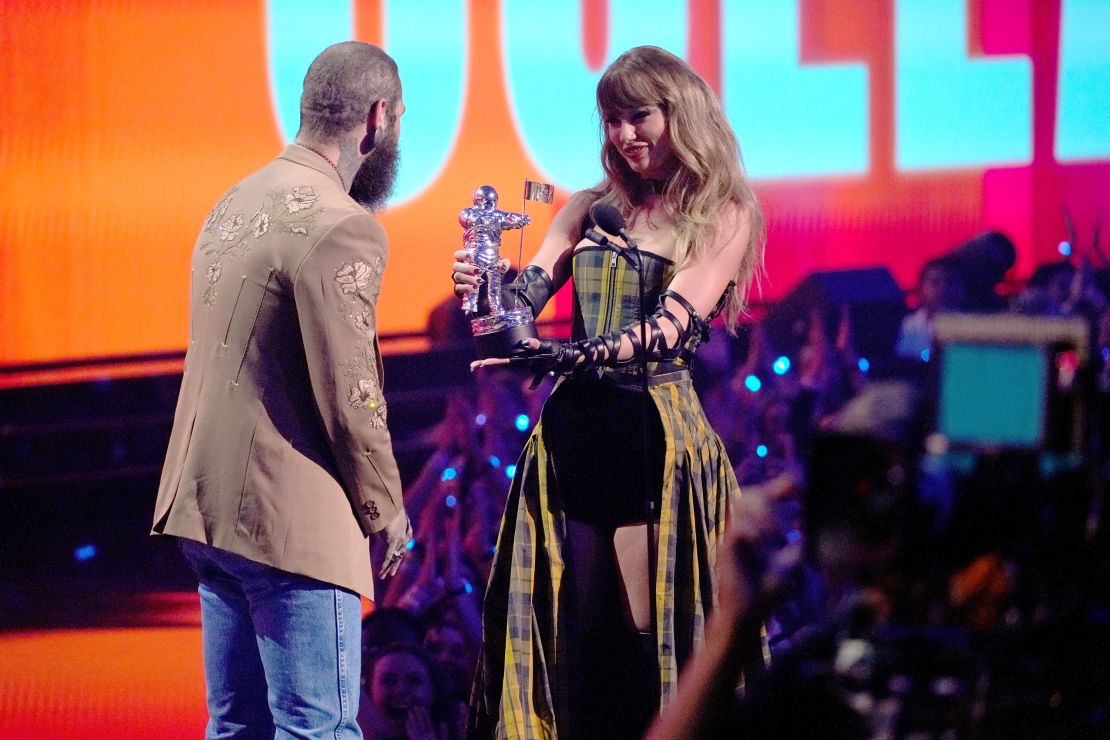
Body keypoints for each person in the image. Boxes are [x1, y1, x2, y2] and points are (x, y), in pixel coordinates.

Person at [452, 46, 764, 738]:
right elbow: (520, 305)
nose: (625, 134)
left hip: (654, 437)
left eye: (639, 116)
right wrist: (484, 290)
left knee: (645, 632)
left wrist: (561, 353)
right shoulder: (589, 209)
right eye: (613, 120)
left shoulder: (722, 213)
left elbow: (668, 327)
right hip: (573, 437)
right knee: (571, 631)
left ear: (678, 114)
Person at [152, 41, 411, 738]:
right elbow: (350, 388)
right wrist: (384, 505)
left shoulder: (237, 197)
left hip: (205, 506)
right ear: (377, 117)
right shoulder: (342, 225)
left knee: (237, 727)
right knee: (317, 729)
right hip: (287, 518)